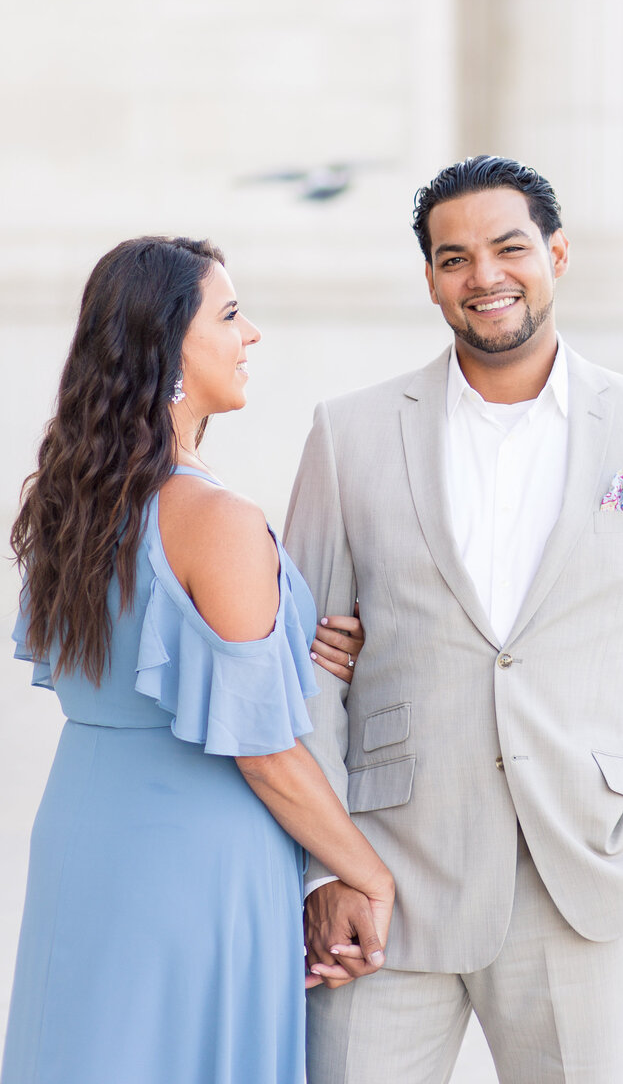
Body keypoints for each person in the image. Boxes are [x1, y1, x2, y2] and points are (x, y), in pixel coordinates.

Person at [283, 156, 623, 1083]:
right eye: (454, 257)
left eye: (509, 248)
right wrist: (325, 866)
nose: (485, 276)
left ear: (557, 254)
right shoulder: (349, 434)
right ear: (430, 279)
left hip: (581, 879)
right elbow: (302, 667)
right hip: (386, 880)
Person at [2, 236, 394, 1084]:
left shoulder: (78, 499)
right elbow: (263, 748)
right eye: (228, 314)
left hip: (86, 828)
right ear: (169, 344)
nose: (250, 334)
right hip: (195, 860)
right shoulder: (212, 515)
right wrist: (370, 874)